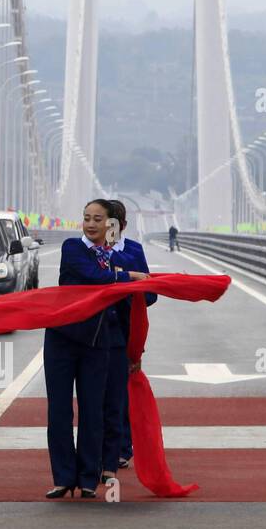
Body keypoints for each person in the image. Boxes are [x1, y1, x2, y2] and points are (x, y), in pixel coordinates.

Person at [46, 199, 148, 499]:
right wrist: (128, 278)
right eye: (86, 218)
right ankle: (64, 478)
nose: (91, 224)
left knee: (95, 410)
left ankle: (90, 478)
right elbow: (94, 278)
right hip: (62, 340)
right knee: (59, 412)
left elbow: (145, 295)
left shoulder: (121, 254)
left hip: (100, 341)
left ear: (110, 225)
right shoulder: (72, 249)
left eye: (97, 219)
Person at [105, 199, 156, 477]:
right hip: (98, 328)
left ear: (123, 226)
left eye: (113, 224)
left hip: (127, 328)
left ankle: (123, 448)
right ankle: (104, 447)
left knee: (123, 389)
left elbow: (150, 293)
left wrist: (128, 291)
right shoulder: (91, 251)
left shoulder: (134, 250)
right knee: (100, 390)